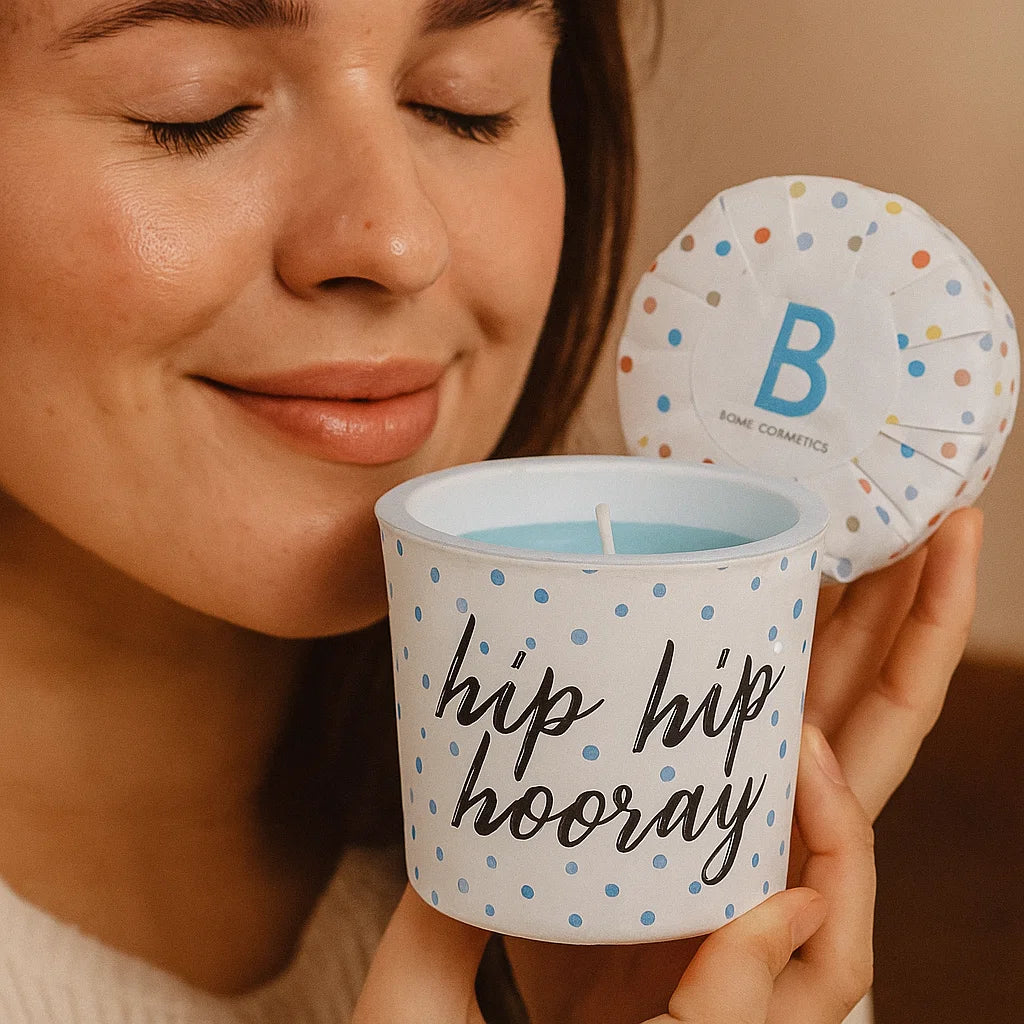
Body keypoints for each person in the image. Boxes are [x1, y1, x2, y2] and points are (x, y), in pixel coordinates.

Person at [0, 0, 983, 1021]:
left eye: (463, 104)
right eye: (193, 110)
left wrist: (669, 924)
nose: (398, 242)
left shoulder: (683, 870)